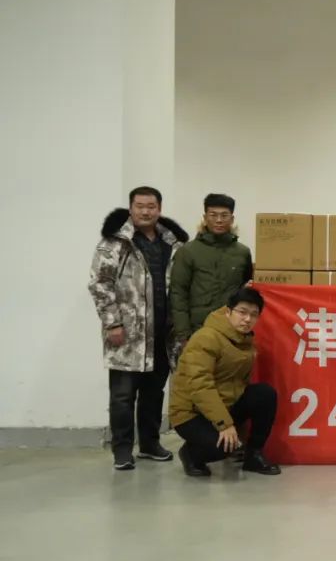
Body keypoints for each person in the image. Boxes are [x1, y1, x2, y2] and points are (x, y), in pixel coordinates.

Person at [89, 186, 189, 470]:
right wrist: (113, 323)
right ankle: (122, 450)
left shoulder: (173, 243)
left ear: (159, 209)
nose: (146, 211)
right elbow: (100, 284)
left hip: (163, 334)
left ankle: (149, 444)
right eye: (140, 206)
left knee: (154, 393)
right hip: (127, 334)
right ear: (131, 208)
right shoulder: (115, 242)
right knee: (122, 396)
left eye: (151, 206)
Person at [169, 288, 281, 477]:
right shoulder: (206, 338)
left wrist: (236, 430)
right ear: (228, 312)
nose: (247, 319)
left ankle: (253, 455)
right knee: (223, 448)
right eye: (242, 312)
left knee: (265, 394)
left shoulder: (244, 341)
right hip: (191, 413)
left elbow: (239, 386)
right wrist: (225, 425)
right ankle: (190, 454)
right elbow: (200, 386)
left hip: (224, 405)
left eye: (254, 314)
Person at [169, 193, 253, 346]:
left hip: (232, 330)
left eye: (224, 215)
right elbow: (178, 293)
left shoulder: (242, 252)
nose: (219, 220)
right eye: (213, 215)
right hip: (198, 329)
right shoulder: (188, 251)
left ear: (232, 219)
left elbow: (246, 290)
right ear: (205, 217)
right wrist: (183, 333)